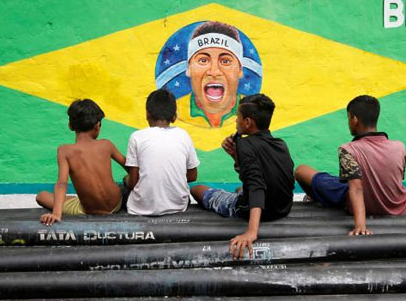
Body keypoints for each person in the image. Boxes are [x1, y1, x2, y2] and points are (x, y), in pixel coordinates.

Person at [191, 94, 295, 260]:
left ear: (248, 122)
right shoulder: (280, 144)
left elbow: (256, 185)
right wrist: (235, 157)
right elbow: (262, 175)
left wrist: (251, 232)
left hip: (260, 211)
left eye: (238, 118)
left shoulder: (245, 144)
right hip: (282, 209)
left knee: (197, 189)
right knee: (241, 188)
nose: (236, 122)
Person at [295, 95, 406, 236]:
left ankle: (315, 197)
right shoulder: (400, 147)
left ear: (355, 120)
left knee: (301, 171)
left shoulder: (348, 150)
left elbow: (356, 188)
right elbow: (395, 179)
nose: (348, 122)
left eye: (348, 118)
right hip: (396, 207)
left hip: (356, 200)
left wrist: (360, 226)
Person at [37, 99, 127, 225]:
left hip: (91, 210)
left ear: (70, 125)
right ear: (97, 126)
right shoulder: (106, 145)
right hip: (116, 203)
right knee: (125, 180)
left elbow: (62, 183)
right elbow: (129, 166)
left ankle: (80, 200)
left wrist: (56, 213)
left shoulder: (64, 151)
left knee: (41, 196)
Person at [123, 88, 200, 216]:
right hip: (178, 206)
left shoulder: (137, 136)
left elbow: (133, 182)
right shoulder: (183, 135)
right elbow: (192, 176)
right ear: (174, 116)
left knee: (123, 187)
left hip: (140, 208)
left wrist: (126, 180)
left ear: (147, 114)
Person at [184, 21, 244, 128]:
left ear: (240, 70)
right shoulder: (174, 112)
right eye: (203, 60)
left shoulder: (255, 111)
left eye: (225, 61)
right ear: (189, 68)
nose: (214, 72)